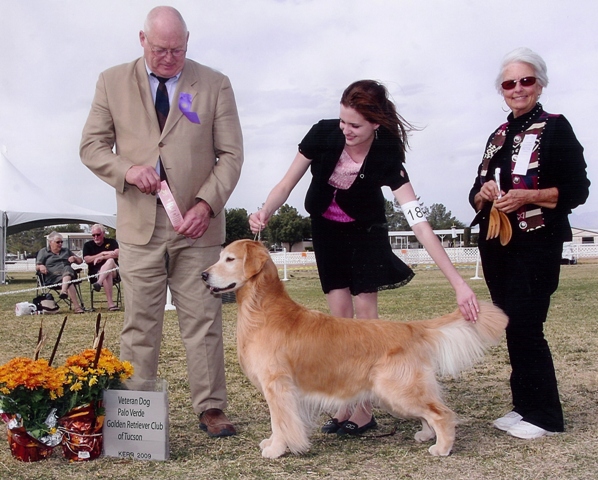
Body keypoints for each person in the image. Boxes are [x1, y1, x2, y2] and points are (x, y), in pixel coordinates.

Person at [249, 80, 479, 436]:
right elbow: (286, 184)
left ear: (375, 123)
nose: (346, 130)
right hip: (327, 233)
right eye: (343, 122)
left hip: (365, 235)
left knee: (365, 319)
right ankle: (345, 405)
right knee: (337, 320)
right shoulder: (323, 134)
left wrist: (459, 283)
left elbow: (419, 223)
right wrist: (264, 210)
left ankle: (364, 409)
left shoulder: (387, 153)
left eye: (355, 125)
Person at [80, 6, 243, 437]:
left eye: (178, 49)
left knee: (204, 321)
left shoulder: (214, 83)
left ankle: (211, 409)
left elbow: (231, 155)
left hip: (198, 228)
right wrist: (127, 171)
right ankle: (135, 413)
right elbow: (92, 146)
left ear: (188, 43)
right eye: (160, 49)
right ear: (141, 39)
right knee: (139, 323)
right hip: (138, 227)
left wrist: (207, 204)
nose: (170, 57)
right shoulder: (111, 81)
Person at [469, 47, 590, 440]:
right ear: (502, 90)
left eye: (526, 81)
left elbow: (577, 189)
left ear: (540, 84)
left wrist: (528, 196)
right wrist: (485, 192)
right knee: (511, 325)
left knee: (527, 324)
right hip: (497, 244)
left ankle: (546, 417)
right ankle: (525, 406)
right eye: (509, 83)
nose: (517, 89)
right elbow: (473, 192)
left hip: (537, 243)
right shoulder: (498, 135)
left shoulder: (555, 127)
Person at [36, 231, 85, 313]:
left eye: (62, 242)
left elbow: (80, 261)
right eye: (58, 242)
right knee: (69, 281)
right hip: (53, 277)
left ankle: (63, 291)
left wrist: (75, 258)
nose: (60, 244)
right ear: (50, 242)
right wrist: (41, 266)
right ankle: (77, 307)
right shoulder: (43, 252)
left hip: (68, 274)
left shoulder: (66, 251)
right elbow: (37, 266)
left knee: (67, 268)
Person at [83, 224, 120, 311]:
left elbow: (117, 254)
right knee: (107, 273)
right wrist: (102, 253)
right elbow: (87, 259)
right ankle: (110, 304)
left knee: (110, 261)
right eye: (93, 235)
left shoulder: (112, 242)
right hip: (96, 273)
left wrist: (103, 258)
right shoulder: (88, 245)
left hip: (114, 271)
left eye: (98, 234)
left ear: (103, 233)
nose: (96, 237)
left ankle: (98, 283)